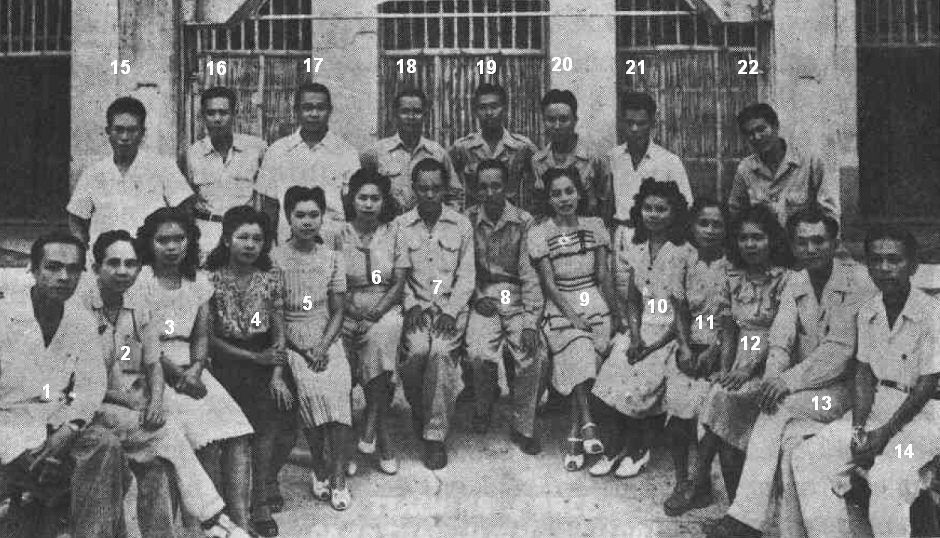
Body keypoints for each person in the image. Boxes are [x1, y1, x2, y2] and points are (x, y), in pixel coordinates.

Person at [705, 206, 875, 537]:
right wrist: (772, 377)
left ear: (835, 242)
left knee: (779, 408)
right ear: (792, 245)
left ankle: (745, 519)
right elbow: (781, 338)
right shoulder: (797, 281)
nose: (810, 249)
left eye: (818, 241)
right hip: (807, 389)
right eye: (802, 242)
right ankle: (769, 523)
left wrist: (785, 382)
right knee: (778, 421)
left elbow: (839, 352)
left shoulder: (858, 282)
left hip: (845, 394)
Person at [78, 230, 249, 538]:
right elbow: (76, 382)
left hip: (126, 404)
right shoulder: (80, 307)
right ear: (95, 267)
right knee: (167, 436)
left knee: (161, 456)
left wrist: (156, 400)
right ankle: (213, 518)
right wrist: (129, 401)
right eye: (113, 263)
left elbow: (152, 362)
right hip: (87, 407)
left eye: (130, 264)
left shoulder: (137, 304)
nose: (122, 271)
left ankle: (203, 523)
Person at [792, 226, 940, 538]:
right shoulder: (869, 311)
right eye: (876, 260)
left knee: (890, 474)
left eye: (894, 260)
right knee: (808, 456)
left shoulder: (932, 313)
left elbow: (927, 385)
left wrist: (884, 434)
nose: (884, 268)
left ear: (913, 265)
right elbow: (863, 373)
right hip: (876, 411)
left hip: (923, 419)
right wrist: (859, 428)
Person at [133, 208, 256, 532]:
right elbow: (139, 342)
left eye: (179, 239)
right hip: (155, 371)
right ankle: (204, 528)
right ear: (149, 243)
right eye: (163, 240)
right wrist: (178, 376)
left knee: (238, 432)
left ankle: (241, 522)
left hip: (193, 370)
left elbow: (201, 336)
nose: (172, 247)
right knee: (206, 439)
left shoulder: (198, 282)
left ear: (189, 241)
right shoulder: (140, 280)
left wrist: (197, 369)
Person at [0, 232, 125, 538]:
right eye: (53, 267)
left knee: (105, 445)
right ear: (33, 269)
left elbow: (91, 384)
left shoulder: (81, 321)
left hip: (55, 424)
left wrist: (70, 428)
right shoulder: (5, 316)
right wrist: (13, 447)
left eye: (73, 269)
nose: (64, 277)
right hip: (7, 424)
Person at [671, 204, 793, 513]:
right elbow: (729, 328)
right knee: (719, 397)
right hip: (739, 357)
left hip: (772, 362)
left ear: (771, 239)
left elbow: (778, 332)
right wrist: (726, 368)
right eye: (743, 238)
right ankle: (730, 505)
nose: (750, 245)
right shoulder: (733, 277)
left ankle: (698, 485)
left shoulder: (785, 279)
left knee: (721, 401)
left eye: (758, 237)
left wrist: (745, 369)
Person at [591, 179, 692, 479]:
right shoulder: (638, 248)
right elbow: (634, 301)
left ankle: (638, 448)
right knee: (615, 366)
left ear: (674, 213)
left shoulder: (684, 252)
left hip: (672, 333)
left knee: (643, 375)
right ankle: (614, 446)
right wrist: (634, 337)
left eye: (661, 209)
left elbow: (685, 312)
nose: (653, 215)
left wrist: (652, 346)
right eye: (648, 208)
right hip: (643, 328)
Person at [205, 207, 291, 537]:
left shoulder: (270, 278)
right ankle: (229, 502)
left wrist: (277, 374)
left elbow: (279, 331)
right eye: (243, 237)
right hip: (226, 360)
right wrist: (253, 358)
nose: (250, 245)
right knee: (229, 431)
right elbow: (208, 337)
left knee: (270, 418)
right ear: (227, 239)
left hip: (264, 358)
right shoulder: (209, 279)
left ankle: (260, 499)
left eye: (257, 239)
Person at [271, 186, 354, 511]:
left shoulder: (332, 257)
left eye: (314, 215)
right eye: (300, 215)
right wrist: (303, 350)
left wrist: (322, 346)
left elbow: (338, 311)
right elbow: (276, 315)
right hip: (292, 340)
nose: (307, 222)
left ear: (322, 218)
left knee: (338, 387)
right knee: (311, 390)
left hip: (326, 337)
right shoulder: (275, 258)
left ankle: (338, 477)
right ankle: (319, 465)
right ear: (288, 217)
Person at [528, 168, 614, 471]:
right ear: (549, 199)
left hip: (594, 301)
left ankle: (576, 433)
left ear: (579, 194)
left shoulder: (595, 226)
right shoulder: (540, 232)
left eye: (569, 191)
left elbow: (603, 275)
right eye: (556, 194)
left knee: (592, 348)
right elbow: (549, 285)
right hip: (561, 304)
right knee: (578, 344)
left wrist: (615, 314)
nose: (564, 199)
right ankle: (588, 423)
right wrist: (572, 316)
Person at [393, 158, 475, 470]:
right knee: (415, 353)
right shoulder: (401, 226)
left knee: (440, 353)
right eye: (423, 188)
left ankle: (435, 436)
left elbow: (466, 276)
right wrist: (410, 303)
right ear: (414, 189)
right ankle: (421, 409)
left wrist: (452, 311)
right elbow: (396, 274)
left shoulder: (461, 225)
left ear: (444, 190)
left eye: (436, 188)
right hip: (416, 308)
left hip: (449, 310)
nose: (430, 195)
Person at [464, 159, 545, 454]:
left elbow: (530, 275)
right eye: (483, 187)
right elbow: (462, 269)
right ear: (476, 190)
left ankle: (523, 424)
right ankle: (483, 406)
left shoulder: (524, 222)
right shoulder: (467, 220)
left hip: (515, 294)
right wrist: (476, 296)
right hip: (483, 294)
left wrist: (531, 322)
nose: (490, 192)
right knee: (478, 352)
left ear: (508, 188)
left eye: (496, 186)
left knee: (532, 353)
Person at [662, 198, 731, 515]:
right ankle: (682, 480)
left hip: (723, 347)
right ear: (692, 226)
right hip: (689, 344)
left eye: (717, 224)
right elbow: (679, 311)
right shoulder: (682, 259)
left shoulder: (732, 265)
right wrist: (685, 347)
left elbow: (734, 319)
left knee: (708, 411)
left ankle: (698, 483)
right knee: (677, 412)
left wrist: (714, 350)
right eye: (704, 223)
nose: (710, 230)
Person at [338, 169, 404, 475]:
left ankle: (372, 425)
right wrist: (353, 311)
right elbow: (333, 282)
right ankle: (366, 434)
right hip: (345, 307)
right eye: (362, 197)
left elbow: (398, 282)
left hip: (383, 305)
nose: (368, 204)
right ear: (352, 199)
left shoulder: (394, 232)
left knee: (383, 334)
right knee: (339, 352)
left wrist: (376, 313)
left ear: (383, 201)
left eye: (374, 198)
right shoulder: (338, 234)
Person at [67, 96, 194, 248]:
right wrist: (84, 251)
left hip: (147, 256)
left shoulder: (163, 167)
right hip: (106, 258)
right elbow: (76, 219)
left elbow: (185, 212)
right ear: (108, 131)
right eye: (119, 130)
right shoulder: (93, 173)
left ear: (142, 132)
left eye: (132, 130)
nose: (125, 137)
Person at [255, 82, 360, 244]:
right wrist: (269, 245)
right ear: (296, 111)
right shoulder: (277, 151)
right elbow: (270, 206)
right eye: (307, 108)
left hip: (332, 244)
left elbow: (351, 206)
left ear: (330, 111)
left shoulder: (346, 153)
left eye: (321, 108)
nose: (314, 113)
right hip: (288, 244)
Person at [186, 86, 268, 260]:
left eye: (223, 113)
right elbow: (186, 203)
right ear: (203, 116)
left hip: (244, 234)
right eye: (211, 113)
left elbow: (267, 195)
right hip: (207, 232)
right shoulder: (192, 154)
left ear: (234, 114)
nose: (217, 119)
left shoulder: (256, 149)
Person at [728, 103, 840, 227]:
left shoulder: (810, 162)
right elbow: (735, 214)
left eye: (761, 129)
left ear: (776, 126)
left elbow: (830, 213)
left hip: (801, 238)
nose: (757, 137)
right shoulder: (745, 169)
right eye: (750, 133)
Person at [361, 87, 462, 214]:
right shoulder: (376, 152)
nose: (411, 117)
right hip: (390, 223)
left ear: (425, 116)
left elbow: (455, 195)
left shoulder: (437, 153)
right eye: (405, 111)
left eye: (417, 112)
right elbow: (361, 192)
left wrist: (444, 221)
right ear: (395, 115)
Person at [604, 92, 693, 228]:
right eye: (629, 123)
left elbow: (686, 207)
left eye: (641, 123)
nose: (634, 129)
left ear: (652, 124)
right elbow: (606, 205)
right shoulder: (612, 158)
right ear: (622, 123)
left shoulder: (670, 162)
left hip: (656, 233)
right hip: (620, 233)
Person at [449, 83, 538, 212]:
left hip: (510, 217)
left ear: (505, 109)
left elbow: (540, 184)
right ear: (475, 111)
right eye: (482, 108)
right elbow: (445, 183)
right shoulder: (463, 147)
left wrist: (530, 214)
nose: (489, 113)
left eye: (494, 107)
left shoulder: (521, 146)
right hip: (475, 218)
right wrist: (456, 213)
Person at [530, 90, 611, 223]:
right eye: (551, 120)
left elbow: (606, 205)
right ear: (544, 122)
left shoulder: (594, 158)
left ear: (575, 121)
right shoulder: (538, 161)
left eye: (563, 119)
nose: (557, 126)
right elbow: (538, 208)